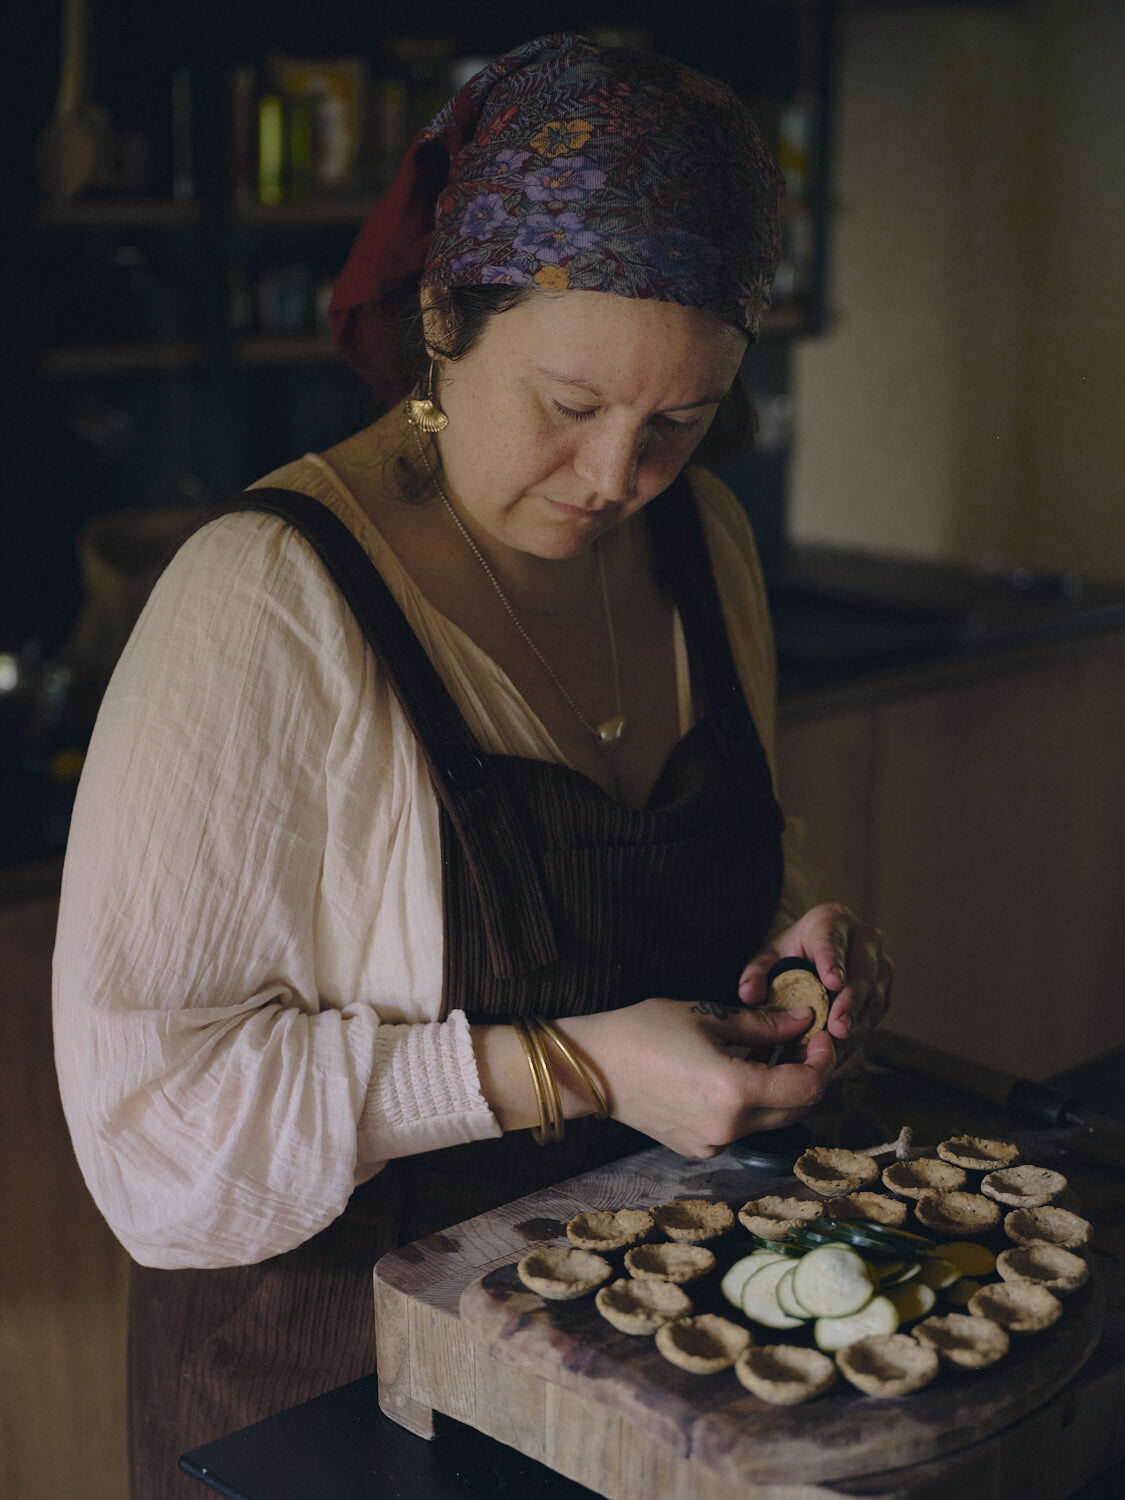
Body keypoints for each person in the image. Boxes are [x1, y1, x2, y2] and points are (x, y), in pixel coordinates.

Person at [52, 33, 892, 1497]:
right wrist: (576, 1067)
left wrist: (783, 962)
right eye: (569, 407)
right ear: (444, 316)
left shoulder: (706, 547)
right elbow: (153, 1130)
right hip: (330, 1387)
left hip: (644, 1362)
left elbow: (712, 871)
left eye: (678, 422)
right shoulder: (265, 602)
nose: (615, 478)